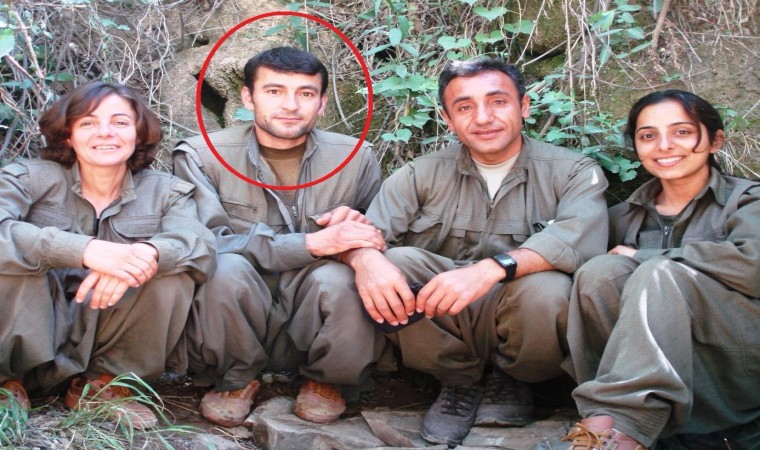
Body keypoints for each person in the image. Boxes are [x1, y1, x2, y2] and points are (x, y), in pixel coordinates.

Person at [341, 57, 609, 446]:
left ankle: (514, 381)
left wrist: (488, 270)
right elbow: (367, 233)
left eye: (498, 102)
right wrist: (365, 259)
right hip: (445, 315)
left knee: (550, 286)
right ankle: (457, 381)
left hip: (519, 308)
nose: (483, 118)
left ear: (524, 106)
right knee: (394, 263)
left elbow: (578, 239)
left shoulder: (572, 171)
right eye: (464, 107)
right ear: (447, 119)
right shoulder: (421, 172)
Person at [173, 46, 387, 427]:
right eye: (274, 91)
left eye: (305, 93)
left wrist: (361, 247)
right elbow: (202, 244)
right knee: (223, 269)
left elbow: (378, 235)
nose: (291, 105)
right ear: (247, 97)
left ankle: (328, 380)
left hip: (315, 306)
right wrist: (311, 244)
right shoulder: (201, 156)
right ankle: (236, 378)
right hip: (238, 311)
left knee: (344, 277)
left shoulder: (356, 158)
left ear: (322, 102)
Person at [0, 82, 216, 428]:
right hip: (40, 328)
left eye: (120, 122)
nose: (105, 132)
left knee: (170, 268)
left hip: (108, 328)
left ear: (138, 134)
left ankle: (107, 384)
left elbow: (198, 243)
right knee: (12, 257)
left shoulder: (166, 191)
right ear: (67, 135)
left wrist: (145, 255)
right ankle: (7, 383)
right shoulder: (26, 178)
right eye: (88, 122)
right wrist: (85, 250)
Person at [558, 90, 760, 449]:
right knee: (599, 272)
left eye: (682, 132)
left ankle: (624, 425)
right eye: (648, 135)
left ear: (715, 141)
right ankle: (611, 422)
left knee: (659, 272)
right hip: (664, 377)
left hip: (736, 368)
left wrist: (647, 257)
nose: (664, 145)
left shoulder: (748, 201)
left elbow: (754, 264)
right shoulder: (622, 218)